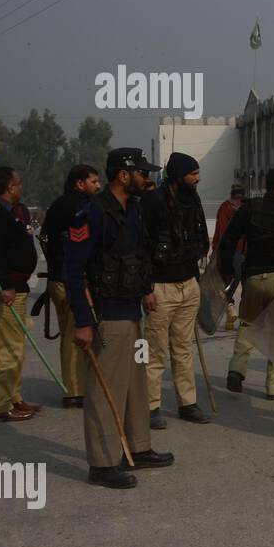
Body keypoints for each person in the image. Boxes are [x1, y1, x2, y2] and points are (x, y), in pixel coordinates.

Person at [63, 148, 173, 488]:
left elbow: (137, 255)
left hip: (133, 313)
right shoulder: (91, 213)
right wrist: (83, 321)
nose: (147, 178)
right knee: (105, 389)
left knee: (136, 385)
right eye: (142, 172)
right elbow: (73, 270)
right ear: (123, 175)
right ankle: (102, 462)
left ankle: (137, 448)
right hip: (106, 317)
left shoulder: (134, 210)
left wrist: (146, 290)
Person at [141, 152, 211, 428]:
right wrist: (146, 288)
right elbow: (142, 247)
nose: (197, 178)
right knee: (156, 352)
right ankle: (151, 407)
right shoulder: (152, 201)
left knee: (183, 348)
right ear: (179, 174)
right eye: (193, 173)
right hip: (160, 287)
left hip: (189, 284)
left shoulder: (192, 199)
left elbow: (200, 236)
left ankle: (187, 403)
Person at [221, 168, 274, 401]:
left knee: (247, 324)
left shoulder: (249, 208)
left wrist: (226, 269)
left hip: (254, 278)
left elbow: (228, 240)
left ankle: (237, 369)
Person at [0, 166, 41, 422]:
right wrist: (5, 283)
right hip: (2, 289)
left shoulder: (9, 210)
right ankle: (0, 407)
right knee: (7, 350)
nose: (21, 187)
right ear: (10, 186)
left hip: (14, 286)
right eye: (18, 183)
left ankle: (14, 397)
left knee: (15, 348)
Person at [40, 164, 101, 408]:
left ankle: (75, 387)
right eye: (93, 181)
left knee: (69, 332)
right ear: (80, 183)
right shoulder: (81, 208)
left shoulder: (57, 205)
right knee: (78, 333)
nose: (97, 186)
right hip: (72, 280)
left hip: (58, 277)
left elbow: (46, 239)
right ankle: (75, 391)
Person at [211, 185, 246, 330]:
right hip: (246, 251)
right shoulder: (246, 208)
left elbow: (220, 231)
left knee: (228, 281)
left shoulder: (225, 207)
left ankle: (230, 308)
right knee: (246, 284)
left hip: (230, 251)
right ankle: (245, 318)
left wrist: (215, 250)